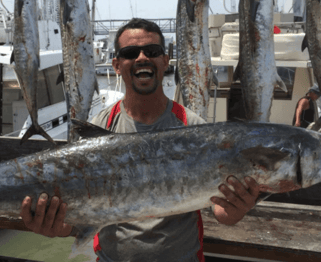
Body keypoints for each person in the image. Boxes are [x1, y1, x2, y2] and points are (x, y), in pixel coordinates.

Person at [20, 18, 259, 262]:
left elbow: (220, 210)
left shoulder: (193, 128)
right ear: (116, 64)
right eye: (130, 53)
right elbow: (78, 220)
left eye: (152, 51)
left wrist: (235, 208)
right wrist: (55, 225)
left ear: (165, 62)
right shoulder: (101, 127)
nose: (142, 58)